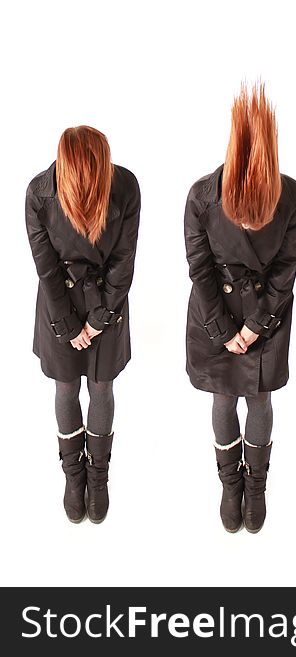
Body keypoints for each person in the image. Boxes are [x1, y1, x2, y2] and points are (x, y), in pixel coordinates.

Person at [184, 84, 296, 534]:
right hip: (214, 312)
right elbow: (200, 270)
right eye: (245, 218)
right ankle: (229, 483)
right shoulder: (201, 196)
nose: (253, 224)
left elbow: (286, 268)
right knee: (223, 396)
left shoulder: (291, 196)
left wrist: (254, 328)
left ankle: (256, 485)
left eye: (260, 218)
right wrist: (223, 331)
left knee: (259, 396)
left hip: (266, 314)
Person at [26, 126, 141, 524]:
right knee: (66, 386)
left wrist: (99, 319)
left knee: (102, 386)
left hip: (108, 302)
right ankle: (74, 477)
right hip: (60, 306)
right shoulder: (40, 193)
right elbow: (47, 269)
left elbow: (123, 260)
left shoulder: (124, 186)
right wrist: (69, 324)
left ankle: (99, 475)